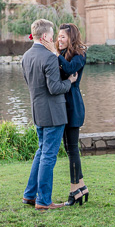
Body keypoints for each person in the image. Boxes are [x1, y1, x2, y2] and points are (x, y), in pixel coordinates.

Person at [22, 18, 78, 211]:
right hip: (54, 113)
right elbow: (54, 88)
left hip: (37, 111)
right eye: (52, 36)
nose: (53, 39)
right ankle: (43, 200)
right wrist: (69, 81)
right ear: (45, 36)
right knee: (48, 155)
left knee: (41, 152)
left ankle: (30, 194)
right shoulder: (49, 57)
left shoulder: (26, 56)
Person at [40, 23, 89, 206]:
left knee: (73, 149)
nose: (58, 40)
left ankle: (73, 189)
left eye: (62, 37)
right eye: (58, 36)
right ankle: (82, 187)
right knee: (69, 149)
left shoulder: (80, 55)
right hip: (60, 104)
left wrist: (54, 53)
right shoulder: (59, 55)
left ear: (71, 38)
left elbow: (69, 69)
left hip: (73, 105)